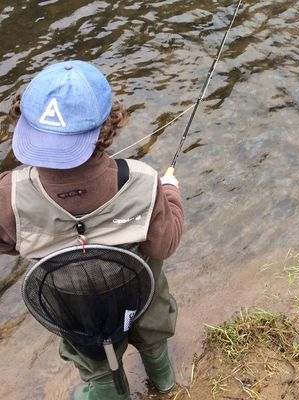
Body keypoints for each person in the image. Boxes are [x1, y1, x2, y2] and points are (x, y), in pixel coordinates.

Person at [0, 60, 184, 399]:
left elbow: (9, 241)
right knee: (153, 335)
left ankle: (106, 393)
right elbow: (164, 246)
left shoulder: (8, 193)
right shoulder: (144, 182)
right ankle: (166, 384)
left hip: (77, 314)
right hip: (142, 301)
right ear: (109, 127)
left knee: (99, 370)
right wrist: (170, 191)